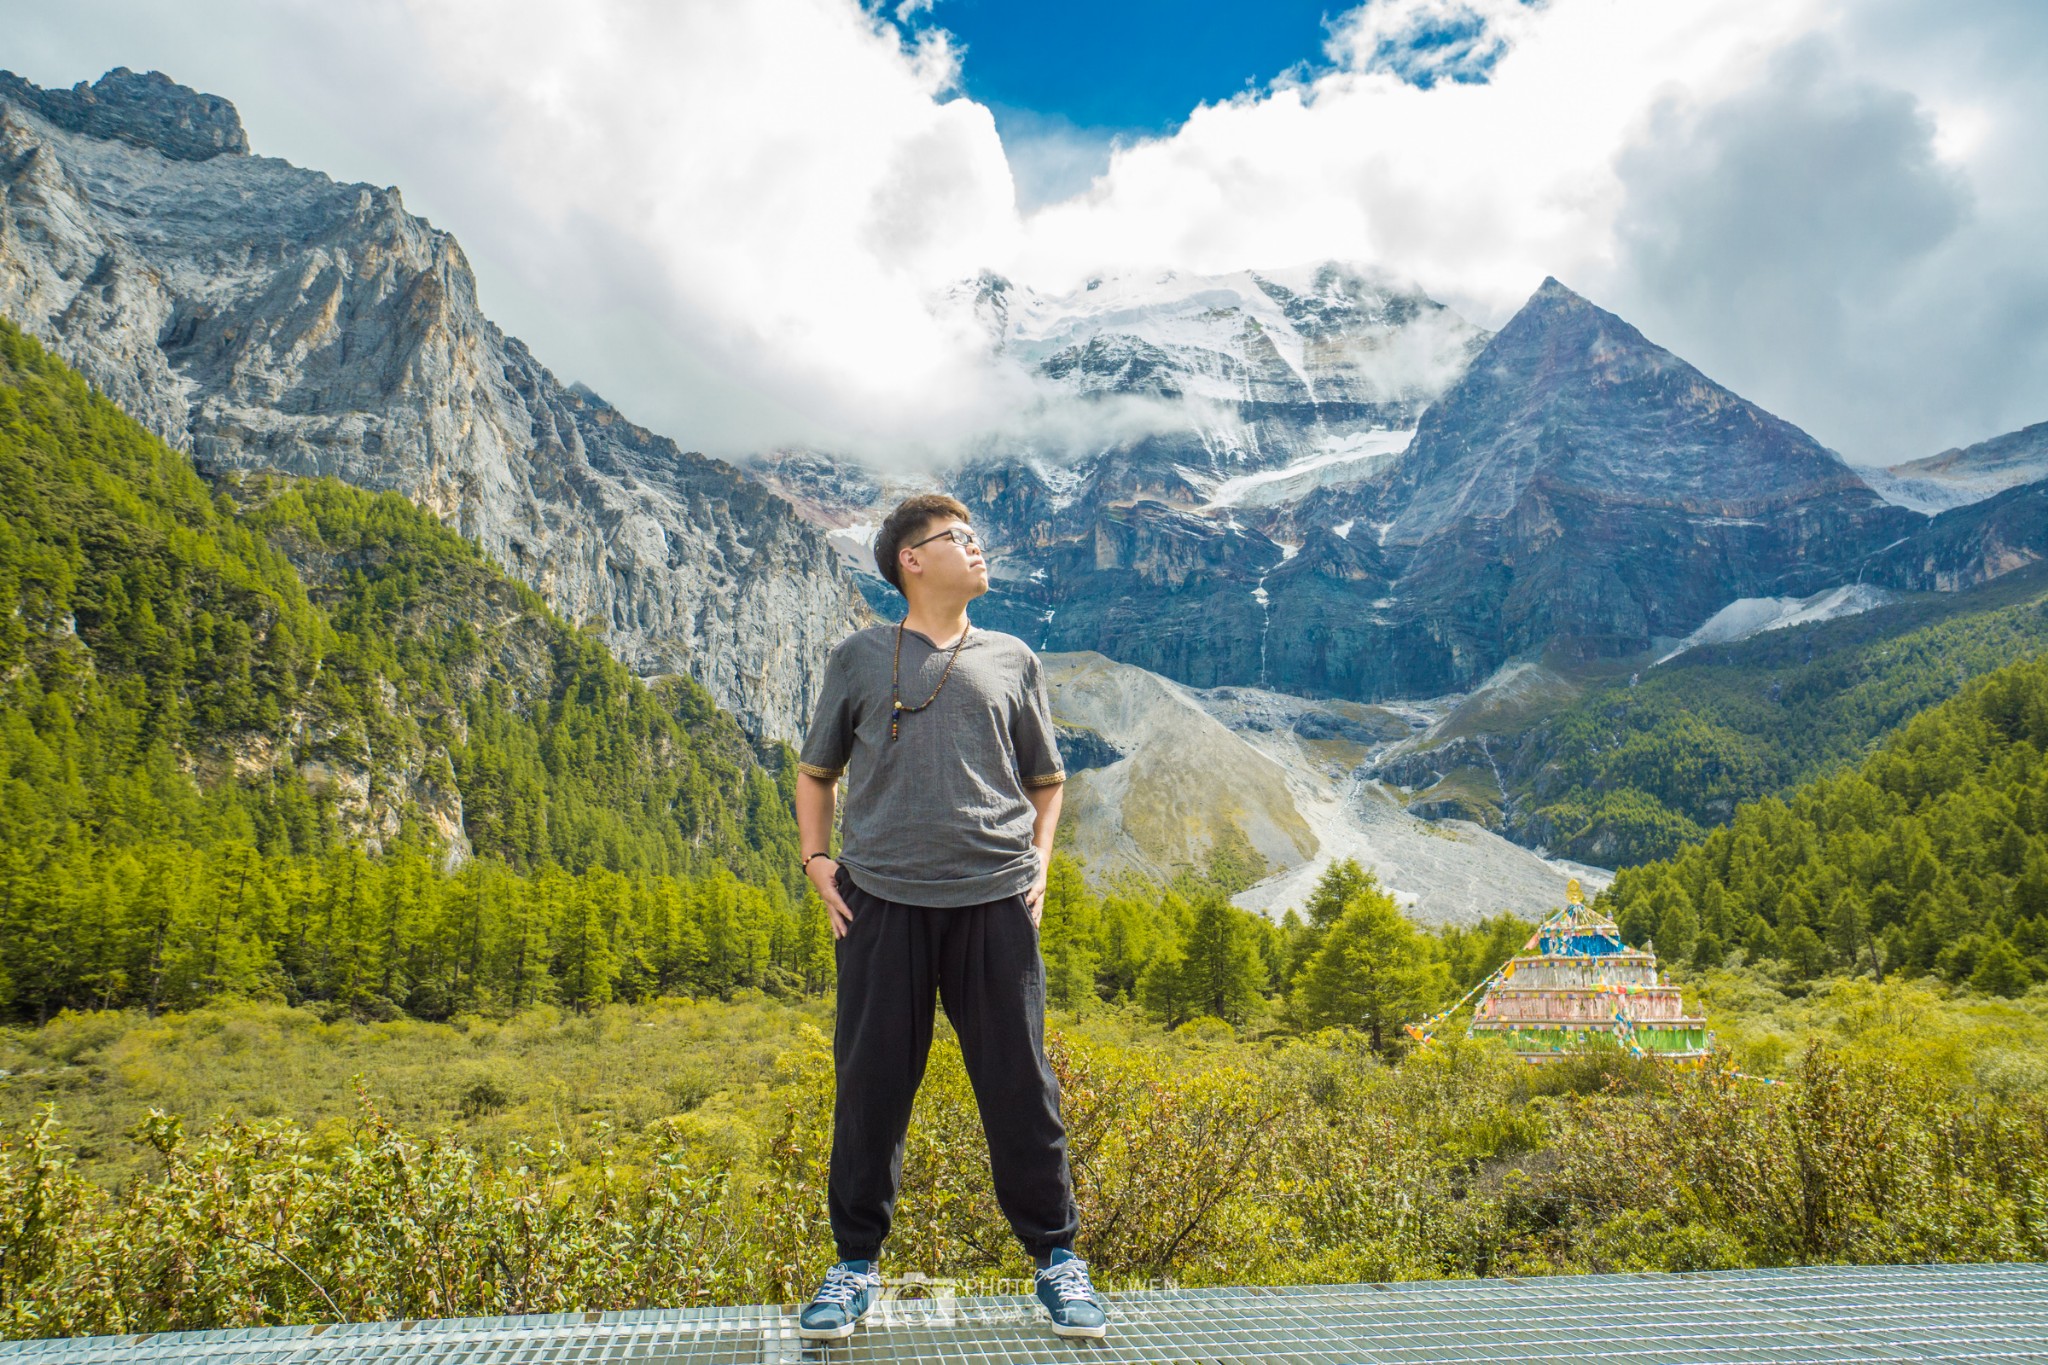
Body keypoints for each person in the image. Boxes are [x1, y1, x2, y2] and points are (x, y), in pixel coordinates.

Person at [790, 493, 1107, 1342]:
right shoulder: (859, 657)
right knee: (870, 1084)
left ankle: (1057, 1259)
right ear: (911, 560)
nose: (975, 547)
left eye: (973, 535)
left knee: (1020, 1084)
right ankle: (854, 1265)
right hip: (880, 901)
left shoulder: (1013, 658)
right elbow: (816, 773)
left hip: (994, 900)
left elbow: (1048, 782)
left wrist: (1040, 864)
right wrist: (817, 861)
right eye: (955, 537)